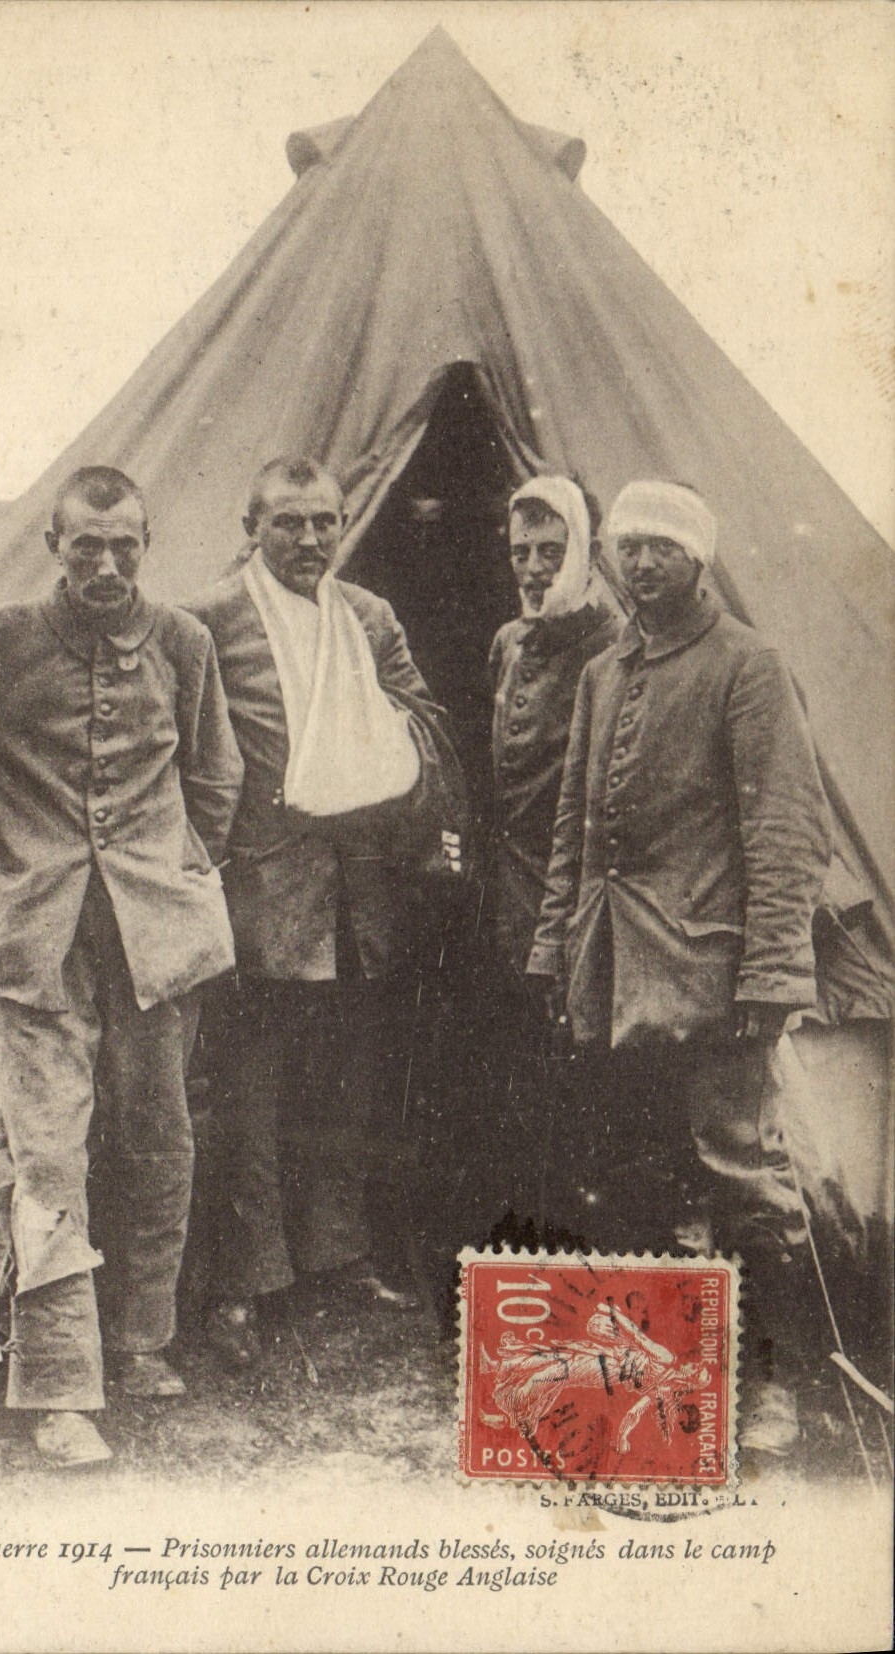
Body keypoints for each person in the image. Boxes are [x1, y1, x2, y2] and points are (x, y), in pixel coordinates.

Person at [0, 466, 243, 1467]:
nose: (107, 566)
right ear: (56, 547)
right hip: (37, 937)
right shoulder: (0, 639)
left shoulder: (183, 641)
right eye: (86, 548)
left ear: (145, 545)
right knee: (49, 1150)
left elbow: (215, 770)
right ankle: (61, 1387)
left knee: (161, 1136)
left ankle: (144, 1342)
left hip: (156, 940)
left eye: (124, 548)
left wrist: (185, 866)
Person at [526, 479, 832, 1454]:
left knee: (741, 1173)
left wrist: (773, 976)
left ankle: (775, 1381)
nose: (643, 563)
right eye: (629, 546)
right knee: (635, 1176)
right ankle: (667, 1383)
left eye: (664, 547)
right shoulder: (604, 672)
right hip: (615, 974)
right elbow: (574, 830)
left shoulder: (749, 663)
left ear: (699, 559)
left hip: (714, 978)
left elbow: (785, 832)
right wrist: (553, 949)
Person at [187, 456, 464, 1364]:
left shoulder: (368, 618)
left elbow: (424, 725)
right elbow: (185, 751)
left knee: (346, 1091)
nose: (310, 541)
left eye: (325, 524)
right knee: (249, 1099)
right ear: (251, 526)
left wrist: (365, 744)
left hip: (358, 896)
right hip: (258, 895)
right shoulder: (210, 620)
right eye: (289, 523)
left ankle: (338, 1258)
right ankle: (243, 1285)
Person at [484, 477, 620, 1229]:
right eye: (520, 553)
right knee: (518, 1063)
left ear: (587, 553)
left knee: (576, 1071)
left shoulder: (614, 647)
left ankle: (572, 1228)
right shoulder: (508, 643)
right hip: (511, 887)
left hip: (576, 892)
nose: (534, 569)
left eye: (550, 551)